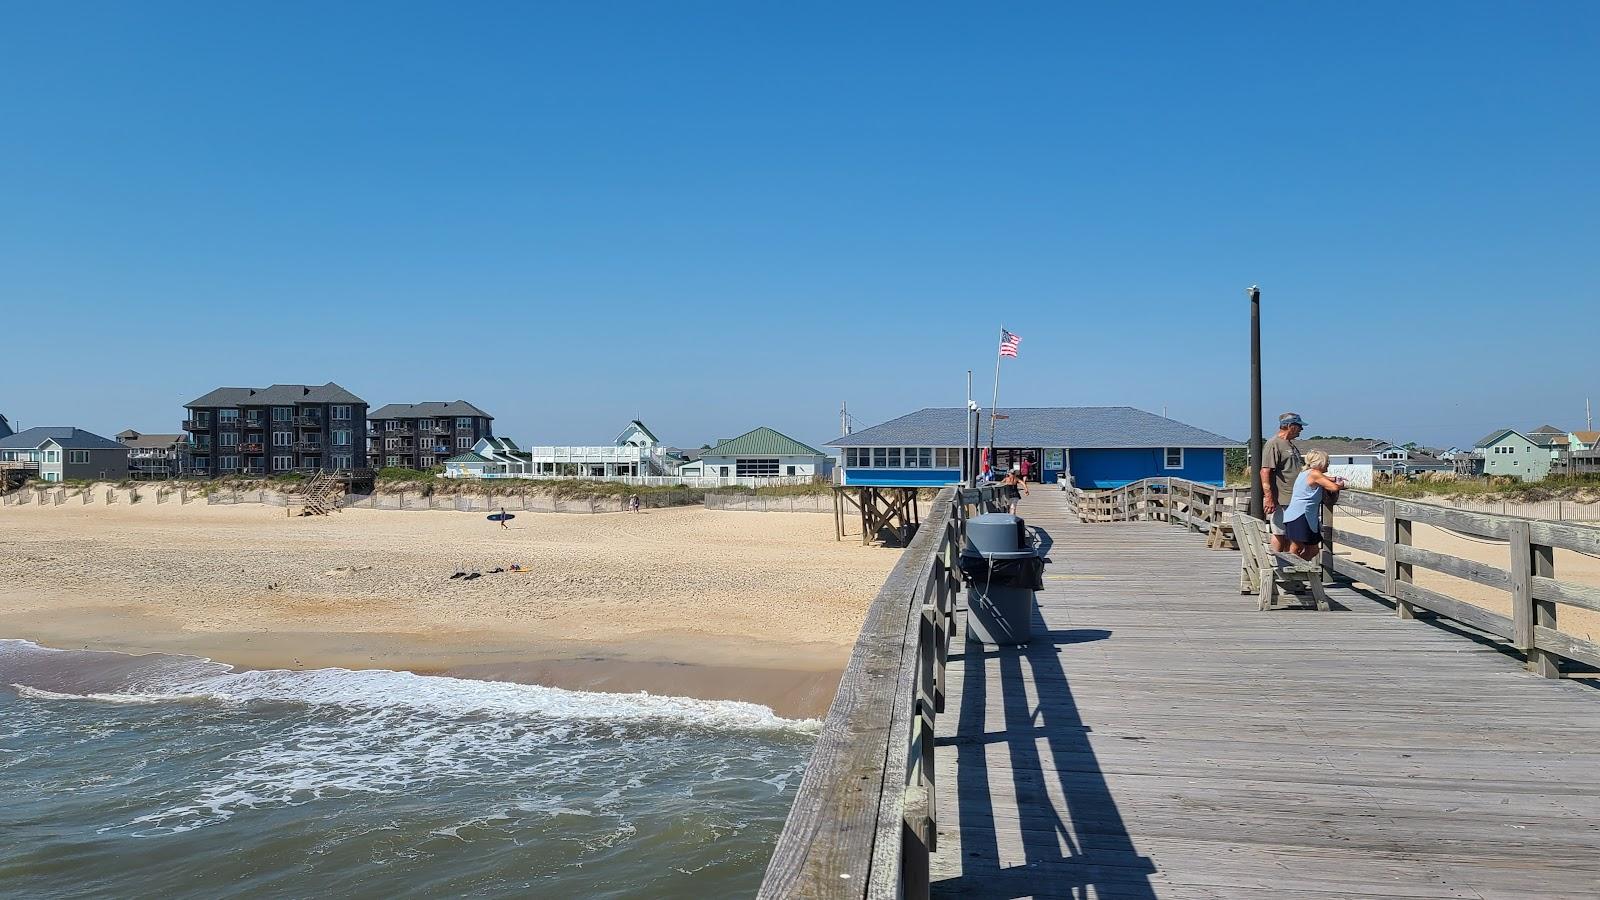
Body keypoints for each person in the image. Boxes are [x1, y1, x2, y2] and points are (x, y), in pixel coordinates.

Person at [1282, 449, 1344, 560]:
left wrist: (1333, 478)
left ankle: (1299, 569)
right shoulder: (1315, 474)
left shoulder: (1305, 472)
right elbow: (1333, 487)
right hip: (1300, 516)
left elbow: (1323, 479)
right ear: (1320, 462)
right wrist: (1340, 484)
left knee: (1313, 550)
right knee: (1296, 547)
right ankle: (1292, 572)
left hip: (1302, 516)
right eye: (1327, 462)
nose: (1328, 465)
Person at [1260, 412, 1306, 554]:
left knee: (1290, 535)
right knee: (1280, 533)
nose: (1301, 429)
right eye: (1299, 426)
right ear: (1290, 426)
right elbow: (1265, 471)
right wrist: (1269, 498)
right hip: (1283, 499)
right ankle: (1276, 563)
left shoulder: (1290, 445)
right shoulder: (1274, 444)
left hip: (1294, 498)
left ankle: (1286, 564)